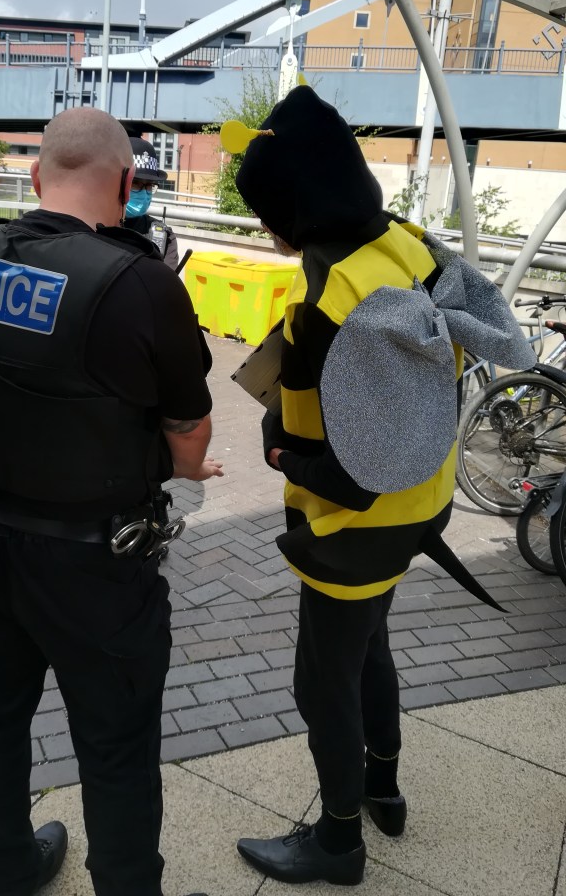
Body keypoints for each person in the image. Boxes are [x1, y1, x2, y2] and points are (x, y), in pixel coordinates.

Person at [228, 84, 532, 887]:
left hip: (350, 530)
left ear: (296, 206)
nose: (265, 230)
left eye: (267, 213)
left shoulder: (331, 303)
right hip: (421, 505)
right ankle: (383, 790)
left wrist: (283, 456)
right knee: (371, 647)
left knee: (321, 682)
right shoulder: (407, 245)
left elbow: (340, 466)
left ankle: (338, 843)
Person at [0, 106, 222, 896]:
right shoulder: (141, 282)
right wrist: (188, 469)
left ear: (35, 177)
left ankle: (8, 872)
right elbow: (187, 428)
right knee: (117, 748)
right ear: (126, 184)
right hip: (93, 563)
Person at [124, 136, 180, 269]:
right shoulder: (94, 228)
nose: (144, 192)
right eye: (135, 183)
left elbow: (166, 280)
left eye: (149, 185)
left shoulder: (163, 236)